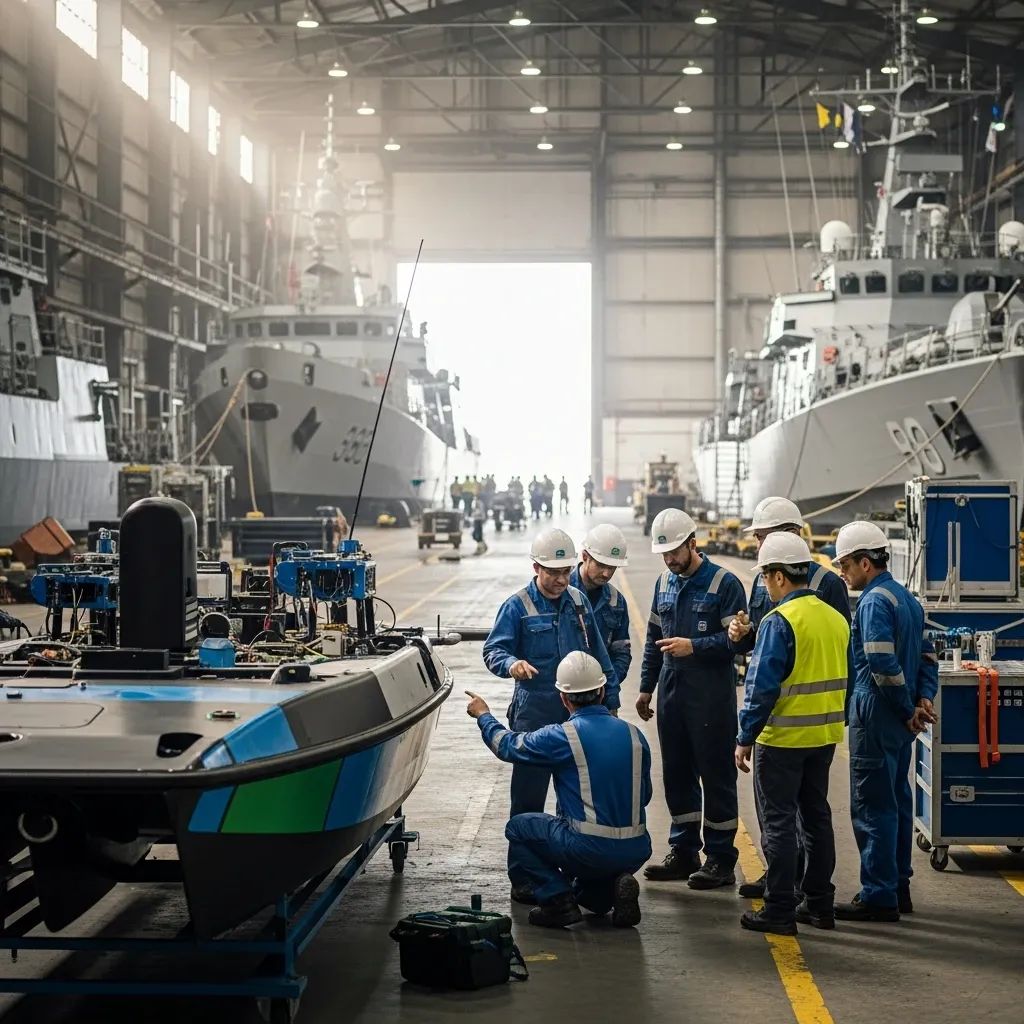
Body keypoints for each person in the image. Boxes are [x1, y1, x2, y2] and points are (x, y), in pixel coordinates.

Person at [467, 652, 652, 928]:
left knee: (519, 827)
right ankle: (614, 885)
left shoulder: (561, 736)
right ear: (602, 691)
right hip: (637, 848)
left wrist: (483, 715)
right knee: (592, 900)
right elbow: (645, 796)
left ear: (563, 698)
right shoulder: (635, 734)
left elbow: (506, 746)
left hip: (588, 848)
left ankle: (558, 903)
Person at [727, 496, 851, 899]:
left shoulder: (826, 585)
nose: (759, 542)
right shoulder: (801, 599)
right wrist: (743, 635)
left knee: (783, 816)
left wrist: (746, 734)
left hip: (783, 727)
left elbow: (772, 671)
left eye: (763, 536)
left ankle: (783, 899)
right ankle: (808, 894)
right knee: (811, 815)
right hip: (820, 725)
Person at [483, 527, 620, 884]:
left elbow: (599, 655)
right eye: (553, 572)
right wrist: (511, 664)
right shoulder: (517, 606)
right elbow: (493, 649)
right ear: (535, 569)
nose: (561, 579)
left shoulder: (578, 601)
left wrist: (612, 702)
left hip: (577, 716)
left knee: (575, 801)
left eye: (565, 572)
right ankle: (525, 879)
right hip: (535, 715)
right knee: (527, 800)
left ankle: (574, 874)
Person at [832, 521, 938, 922]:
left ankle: (878, 896)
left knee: (872, 806)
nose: (842, 572)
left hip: (877, 714)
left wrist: (904, 706)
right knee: (896, 801)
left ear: (865, 562)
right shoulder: (907, 600)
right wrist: (922, 699)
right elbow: (928, 657)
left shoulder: (875, 602)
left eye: (845, 564)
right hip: (899, 720)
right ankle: (899, 887)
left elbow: (880, 664)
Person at [638, 508, 747, 889]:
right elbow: (654, 640)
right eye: (664, 554)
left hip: (710, 695)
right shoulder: (663, 583)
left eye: (674, 552)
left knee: (716, 775)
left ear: (692, 543)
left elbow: (736, 643)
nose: (669, 560)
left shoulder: (724, 583)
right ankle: (684, 851)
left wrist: (694, 647)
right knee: (677, 773)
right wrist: (645, 687)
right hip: (671, 693)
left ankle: (720, 858)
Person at [570, 524, 631, 694]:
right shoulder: (560, 591)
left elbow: (621, 652)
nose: (606, 573)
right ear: (585, 556)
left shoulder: (616, 602)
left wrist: (608, 685)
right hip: (561, 694)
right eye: (601, 565)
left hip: (601, 697)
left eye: (612, 568)